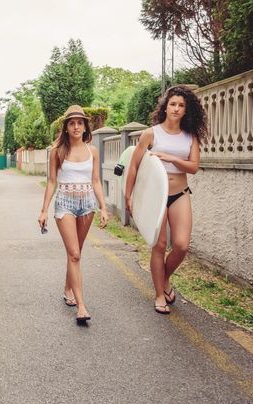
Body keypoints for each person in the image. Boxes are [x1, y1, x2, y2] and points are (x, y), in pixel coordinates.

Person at [124, 85, 207, 314]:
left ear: (186, 110)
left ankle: (164, 278)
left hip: (180, 193)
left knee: (181, 245)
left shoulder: (190, 136)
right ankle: (160, 294)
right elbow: (134, 166)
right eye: (173, 104)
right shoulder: (151, 133)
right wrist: (128, 196)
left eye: (181, 105)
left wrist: (169, 157)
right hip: (155, 195)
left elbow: (194, 167)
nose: (176, 109)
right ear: (165, 106)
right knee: (159, 245)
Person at [38, 105, 108, 325]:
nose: (76, 126)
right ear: (66, 127)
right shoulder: (57, 151)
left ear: (85, 126)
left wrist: (103, 207)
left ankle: (68, 287)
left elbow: (96, 180)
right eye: (72, 123)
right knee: (75, 254)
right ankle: (81, 306)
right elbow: (51, 182)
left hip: (87, 203)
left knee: (76, 253)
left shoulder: (92, 151)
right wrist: (44, 210)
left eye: (80, 122)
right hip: (65, 203)